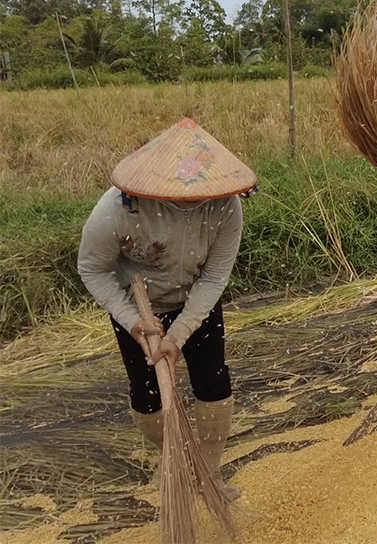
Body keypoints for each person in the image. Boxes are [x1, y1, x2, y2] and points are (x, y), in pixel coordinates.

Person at [78, 117, 256, 498]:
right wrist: (132, 321)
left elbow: (213, 278)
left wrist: (178, 336)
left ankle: (209, 474)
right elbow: (92, 268)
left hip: (196, 300)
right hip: (138, 308)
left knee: (213, 382)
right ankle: (171, 463)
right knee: (147, 392)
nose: (192, 201)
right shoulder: (119, 208)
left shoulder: (225, 208)